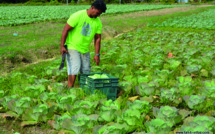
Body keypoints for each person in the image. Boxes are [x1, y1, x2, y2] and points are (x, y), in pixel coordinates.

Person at [60, 0, 107, 88]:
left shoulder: (97, 22)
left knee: (86, 71)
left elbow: (98, 38)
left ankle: (84, 90)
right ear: (92, 8)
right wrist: (62, 46)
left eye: (100, 14)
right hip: (72, 46)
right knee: (75, 68)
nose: (98, 15)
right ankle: (70, 90)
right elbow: (65, 29)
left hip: (85, 49)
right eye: (97, 13)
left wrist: (97, 54)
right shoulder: (78, 16)